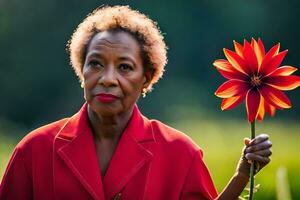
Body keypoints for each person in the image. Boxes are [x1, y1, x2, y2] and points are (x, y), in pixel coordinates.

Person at [0, 5, 272, 200]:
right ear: (80, 71)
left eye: (125, 67)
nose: (107, 79)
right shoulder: (33, 151)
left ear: (147, 77)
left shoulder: (181, 153)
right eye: (95, 64)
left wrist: (240, 178)